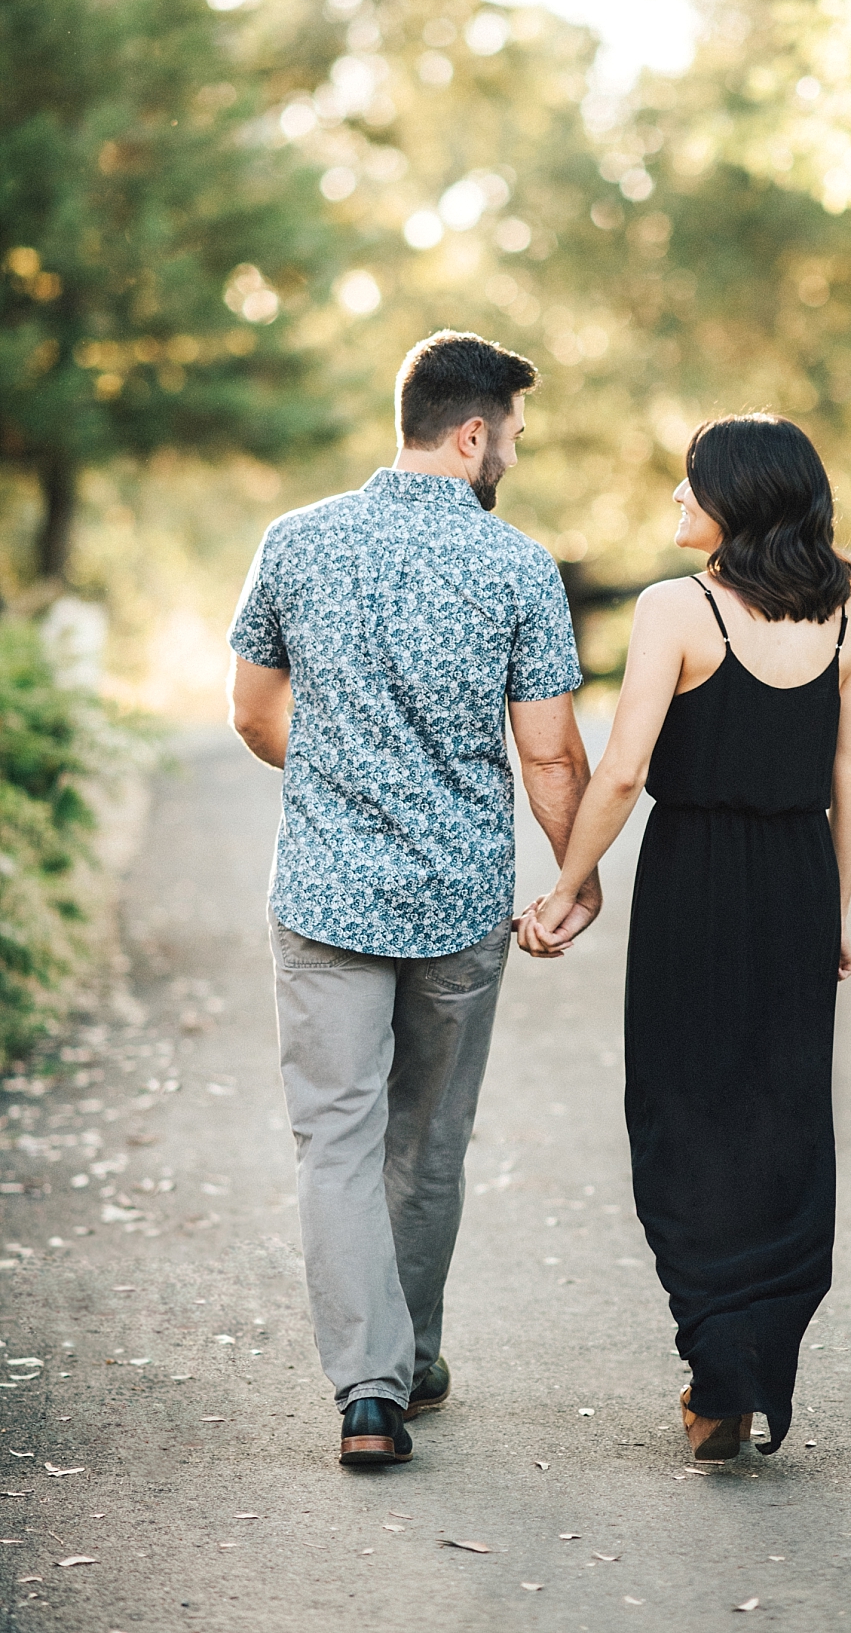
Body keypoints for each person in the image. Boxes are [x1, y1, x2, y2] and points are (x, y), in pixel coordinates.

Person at [227, 329, 600, 1466]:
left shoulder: (297, 542)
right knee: (428, 1142)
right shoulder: (518, 567)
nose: (514, 462)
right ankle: (412, 1354)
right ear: (473, 431)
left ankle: (370, 1392)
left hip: (325, 897)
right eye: (514, 440)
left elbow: (251, 712)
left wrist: (346, 772)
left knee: (333, 1140)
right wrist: (575, 875)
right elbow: (547, 757)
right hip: (458, 903)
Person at [519, 413, 851, 1459]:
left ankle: (717, 1365)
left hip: (692, 883)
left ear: (738, 498)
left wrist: (564, 889)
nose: (675, 500)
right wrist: (835, 913)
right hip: (799, 881)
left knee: (682, 1110)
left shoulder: (678, 607)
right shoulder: (846, 614)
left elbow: (623, 770)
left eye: (689, 485)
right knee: (783, 1119)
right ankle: (753, 1357)